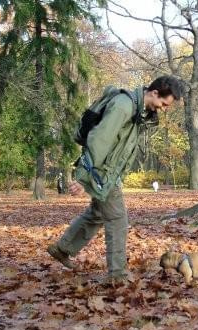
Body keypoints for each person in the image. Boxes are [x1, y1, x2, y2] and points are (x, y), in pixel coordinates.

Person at [47, 76, 184, 284]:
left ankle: (63, 248)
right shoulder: (124, 106)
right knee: (118, 219)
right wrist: (83, 178)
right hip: (101, 172)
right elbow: (99, 139)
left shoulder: (139, 110)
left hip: (110, 173)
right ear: (154, 93)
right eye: (164, 104)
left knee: (98, 213)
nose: (164, 109)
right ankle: (117, 276)